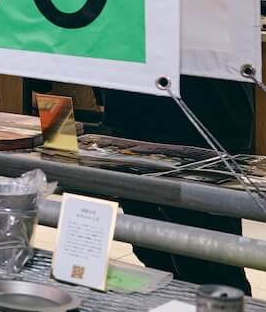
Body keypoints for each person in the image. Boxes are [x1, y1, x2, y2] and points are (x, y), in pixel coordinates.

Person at [100, 77, 256, 292]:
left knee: (210, 258)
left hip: (205, 121)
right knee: (148, 245)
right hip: (131, 116)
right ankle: (173, 309)